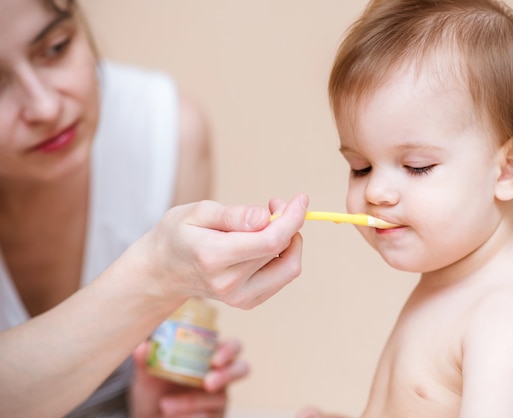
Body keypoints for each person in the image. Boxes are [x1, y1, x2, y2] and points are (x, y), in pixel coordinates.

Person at [0, 0, 309, 417]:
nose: (46, 108)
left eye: (56, 47)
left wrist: (155, 403)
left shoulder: (164, 134)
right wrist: (155, 272)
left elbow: (168, 362)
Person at [298, 0, 513, 417]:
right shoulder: (453, 281)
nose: (375, 190)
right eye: (361, 167)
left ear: (508, 169)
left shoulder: (509, 318)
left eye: (417, 167)